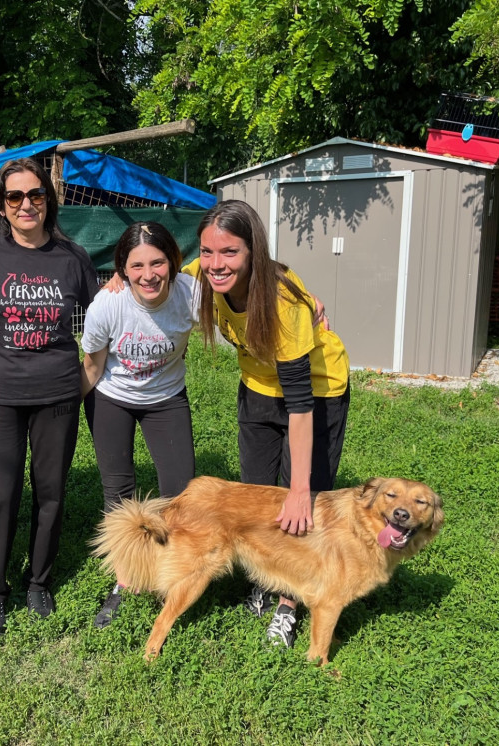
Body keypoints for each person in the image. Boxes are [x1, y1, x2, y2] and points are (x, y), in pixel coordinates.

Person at [0, 158, 101, 635]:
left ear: (48, 200)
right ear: (1, 205)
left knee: (51, 492)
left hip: (58, 394)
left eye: (35, 194)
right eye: (14, 196)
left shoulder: (72, 257)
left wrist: (83, 379)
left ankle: (39, 581)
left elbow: (106, 316)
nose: (26, 204)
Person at [195, 199, 350, 649]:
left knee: (301, 506)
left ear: (253, 252)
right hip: (259, 388)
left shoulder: (283, 304)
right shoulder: (204, 271)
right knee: (257, 493)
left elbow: (300, 406)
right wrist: (118, 277)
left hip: (317, 393)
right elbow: (157, 268)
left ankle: (289, 601)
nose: (216, 264)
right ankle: (266, 577)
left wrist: (300, 490)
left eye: (230, 252)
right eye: (207, 251)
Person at [80, 222, 198, 628]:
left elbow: (244, 283)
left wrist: (303, 297)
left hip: (166, 399)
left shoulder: (190, 294)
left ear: (173, 262)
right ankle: (125, 579)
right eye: (137, 266)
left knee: (180, 493)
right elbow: (92, 367)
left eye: (158, 262)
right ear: (123, 269)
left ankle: (172, 572)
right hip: (111, 398)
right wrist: (58, 414)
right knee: (118, 492)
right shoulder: (107, 305)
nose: (149, 275)